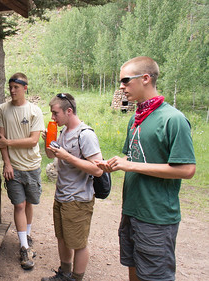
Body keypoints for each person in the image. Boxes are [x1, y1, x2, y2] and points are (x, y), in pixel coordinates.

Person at [96, 56, 196, 281]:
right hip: (132, 210)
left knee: (155, 277)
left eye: (125, 80)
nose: (121, 87)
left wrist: (130, 165)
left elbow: (187, 169)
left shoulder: (173, 119)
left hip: (157, 216)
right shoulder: (135, 118)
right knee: (133, 269)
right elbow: (133, 157)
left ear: (145, 79)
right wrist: (113, 164)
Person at [41, 93, 104, 281]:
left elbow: (98, 169)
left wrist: (67, 156)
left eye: (55, 113)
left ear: (69, 111)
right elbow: (51, 156)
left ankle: (76, 278)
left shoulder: (85, 135)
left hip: (78, 198)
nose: (52, 117)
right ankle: (65, 274)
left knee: (78, 243)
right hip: (61, 195)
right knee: (62, 238)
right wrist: (48, 141)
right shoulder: (63, 131)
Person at [0, 73, 44, 270]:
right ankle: (24, 247)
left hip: (32, 166)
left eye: (16, 87)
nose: (12, 90)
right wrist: (7, 164)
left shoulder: (35, 111)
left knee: (30, 203)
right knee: (19, 205)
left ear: (25, 88)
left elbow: (34, 140)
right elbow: (1, 140)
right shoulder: (2, 109)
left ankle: (27, 233)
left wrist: (9, 142)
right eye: (11, 86)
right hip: (13, 168)